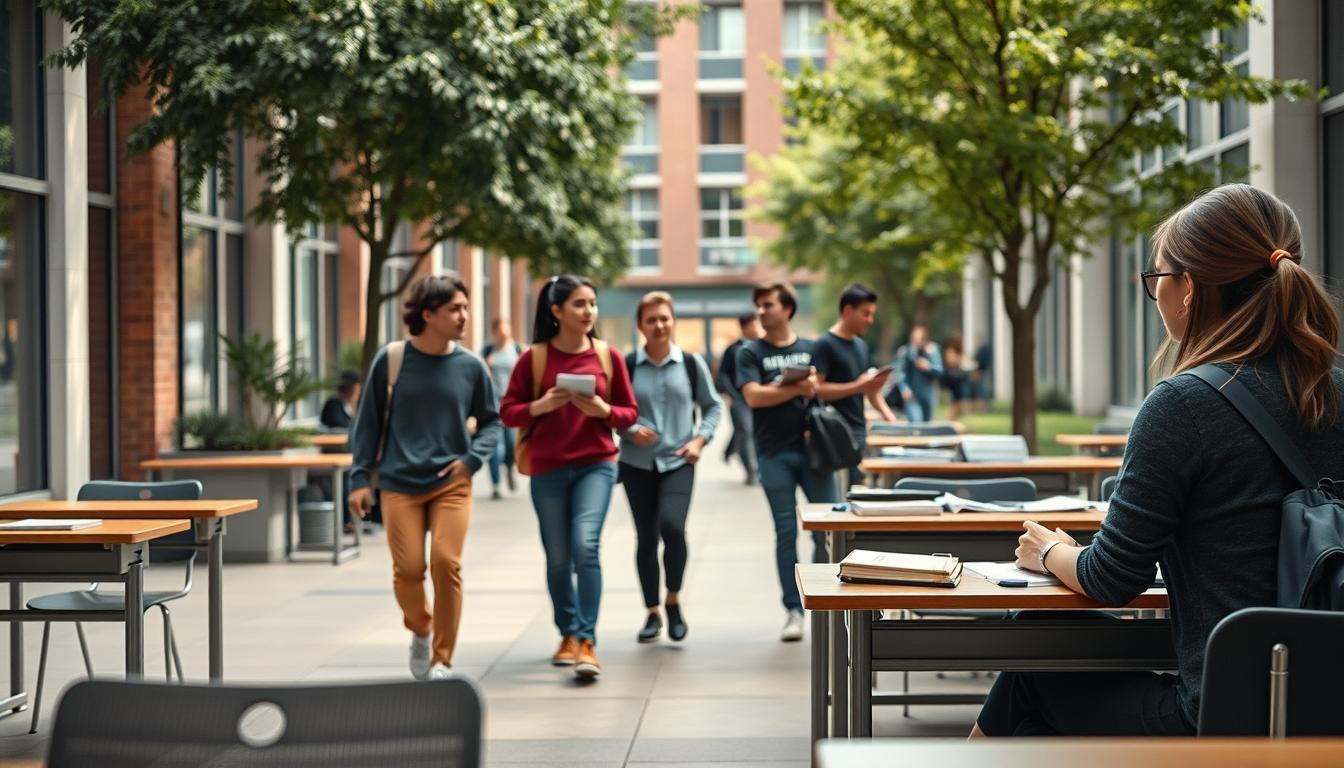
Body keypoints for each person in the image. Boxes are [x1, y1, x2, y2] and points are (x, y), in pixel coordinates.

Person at [974, 183, 1344, 737]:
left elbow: (1111, 579)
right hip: (1331, 709)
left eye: (1157, 278)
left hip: (1225, 718)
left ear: (1189, 287)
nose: (1156, 293)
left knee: (1033, 666)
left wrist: (1051, 550)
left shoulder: (1184, 405)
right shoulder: (1335, 388)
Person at [347, 274, 502, 681]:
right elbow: (367, 425)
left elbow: (491, 421)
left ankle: (442, 659)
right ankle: (420, 627)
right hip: (399, 484)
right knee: (409, 570)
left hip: (452, 483)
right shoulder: (393, 359)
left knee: (446, 562)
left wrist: (470, 461)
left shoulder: (471, 367)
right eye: (455, 309)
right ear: (428, 314)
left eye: (466, 308)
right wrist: (359, 478)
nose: (464, 316)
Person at [499, 275, 638, 679]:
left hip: (597, 464)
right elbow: (508, 412)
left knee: (586, 545)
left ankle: (587, 640)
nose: (589, 311)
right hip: (548, 468)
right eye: (580, 304)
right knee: (558, 559)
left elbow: (630, 412)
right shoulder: (534, 358)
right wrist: (540, 405)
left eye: (592, 303)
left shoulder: (607, 356)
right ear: (556, 311)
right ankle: (567, 633)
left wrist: (604, 412)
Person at [735, 281, 836, 643]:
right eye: (759, 305)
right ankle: (793, 609)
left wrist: (810, 387)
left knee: (827, 530)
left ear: (787, 309)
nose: (762, 311)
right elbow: (754, 398)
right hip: (772, 453)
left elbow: (824, 388)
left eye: (768, 305)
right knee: (785, 532)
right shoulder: (749, 353)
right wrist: (797, 387)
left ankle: (825, 599)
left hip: (815, 452)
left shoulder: (811, 349)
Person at [619, 292, 722, 644]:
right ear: (640, 326)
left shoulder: (691, 364)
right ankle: (651, 612)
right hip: (636, 464)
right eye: (652, 320)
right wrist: (630, 430)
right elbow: (612, 413)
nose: (660, 325)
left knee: (672, 527)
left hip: (679, 461)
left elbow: (712, 406)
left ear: (673, 320)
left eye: (665, 318)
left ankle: (674, 599)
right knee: (646, 537)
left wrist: (700, 440)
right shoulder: (628, 365)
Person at [812, 283, 896, 491]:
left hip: (858, 431)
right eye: (865, 314)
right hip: (831, 434)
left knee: (858, 492)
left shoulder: (861, 346)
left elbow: (869, 390)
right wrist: (857, 386)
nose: (870, 320)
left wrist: (889, 417)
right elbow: (817, 389)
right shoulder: (824, 344)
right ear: (848, 311)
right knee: (836, 498)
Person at [716, 312, 763, 484]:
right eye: (753, 324)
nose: (757, 328)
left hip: (759, 398)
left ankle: (736, 456)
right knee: (745, 431)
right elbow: (722, 375)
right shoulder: (733, 349)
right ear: (745, 327)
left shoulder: (761, 347)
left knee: (752, 432)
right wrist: (732, 395)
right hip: (739, 399)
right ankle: (751, 469)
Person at [319, 370, 365, 532]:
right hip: (335, 454)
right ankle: (345, 520)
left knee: (351, 480)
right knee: (345, 483)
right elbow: (333, 424)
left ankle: (352, 520)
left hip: (349, 453)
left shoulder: (352, 405)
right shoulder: (334, 404)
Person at [482, 318, 523, 500]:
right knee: (494, 446)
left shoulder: (518, 350)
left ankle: (510, 468)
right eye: (499, 331)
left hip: (512, 405)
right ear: (494, 332)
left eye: (505, 331)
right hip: (493, 406)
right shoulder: (487, 352)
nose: (502, 334)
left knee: (510, 444)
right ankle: (496, 485)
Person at [892, 324, 943, 422]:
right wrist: (904, 388)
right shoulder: (906, 351)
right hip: (912, 395)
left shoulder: (932, 350)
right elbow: (899, 372)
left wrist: (929, 366)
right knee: (916, 424)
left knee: (927, 425)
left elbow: (939, 371)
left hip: (928, 395)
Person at [941, 332, 972, 421]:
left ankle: (954, 419)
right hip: (952, 379)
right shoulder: (950, 350)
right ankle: (950, 419)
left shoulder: (960, 351)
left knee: (959, 401)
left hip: (960, 379)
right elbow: (950, 362)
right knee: (955, 401)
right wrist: (960, 359)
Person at [971, 340, 993, 412]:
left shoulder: (983, 350)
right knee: (981, 389)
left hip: (981, 371)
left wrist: (979, 371)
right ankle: (981, 407)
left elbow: (982, 361)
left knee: (982, 390)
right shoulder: (982, 349)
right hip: (980, 371)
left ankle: (984, 407)